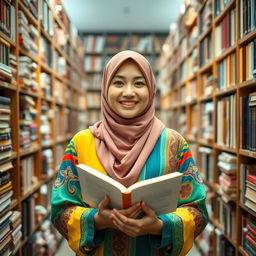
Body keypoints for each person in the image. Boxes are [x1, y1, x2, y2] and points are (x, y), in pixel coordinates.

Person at [51, 50, 208, 256]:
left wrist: (158, 226)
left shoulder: (174, 144)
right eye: (118, 83)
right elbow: (60, 210)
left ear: (151, 89)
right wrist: (98, 220)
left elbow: (197, 211)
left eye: (139, 83)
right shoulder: (80, 143)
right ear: (105, 88)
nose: (128, 92)